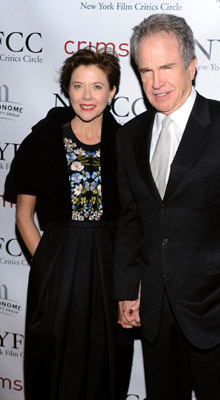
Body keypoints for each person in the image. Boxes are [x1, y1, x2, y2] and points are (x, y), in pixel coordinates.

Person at [114, 13, 220, 400]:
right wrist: (126, 288)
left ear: (191, 66)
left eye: (168, 67)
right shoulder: (129, 136)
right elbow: (131, 219)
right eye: (146, 71)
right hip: (156, 317)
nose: (156, 83)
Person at [5, 48, 133, 400]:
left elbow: (137, 220)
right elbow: (23, 215)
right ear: (67, 90)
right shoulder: (43, 140)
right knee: (53, 357)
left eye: (97, 87)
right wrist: (48, 262)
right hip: (58, 259)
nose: (87, 97)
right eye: (78, 86)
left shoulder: (128, 144)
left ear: (113, 91)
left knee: (106, 357)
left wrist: (130, 278)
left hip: (110, 263)